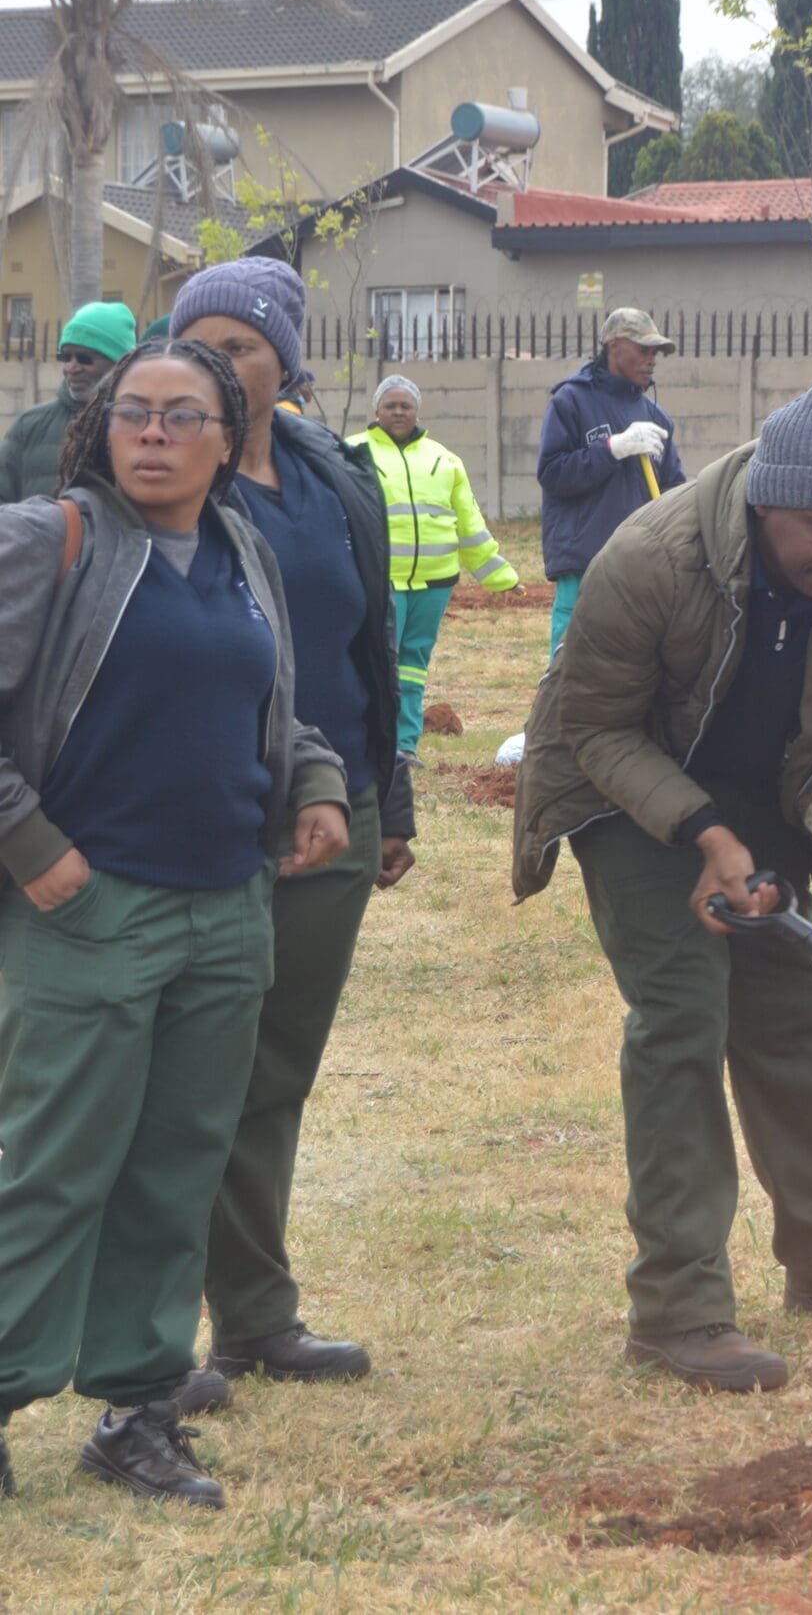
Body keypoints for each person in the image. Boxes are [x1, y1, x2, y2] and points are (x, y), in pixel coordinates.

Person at [511, 377, 812, 1393]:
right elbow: (594, 728)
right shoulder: (650, 557)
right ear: (766, 503)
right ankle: (677, 1306)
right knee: (682, 1013)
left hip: (770, 788)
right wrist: (701, 832)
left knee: (788, 1019)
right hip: (623, 783)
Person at [0, 338, 349, 1507]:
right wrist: (33, 848)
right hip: (91, 911)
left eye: (181, 416)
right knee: (52, 1168)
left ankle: (138, 1410)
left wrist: (316, 784)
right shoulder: (52, 541)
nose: (152, 433)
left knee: (176, 1170)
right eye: (133, 413)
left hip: (226, 913)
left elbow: (271, 710)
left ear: (226, 434)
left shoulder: (241, 549)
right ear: (101, 429)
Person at [169, 259, 413, 1418]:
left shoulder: (329, 470)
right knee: (180, 1076)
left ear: (288, 360)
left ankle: (256, 1314)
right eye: (196, 339)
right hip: (205, 817)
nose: (219, 360)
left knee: (274, 1076)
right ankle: (150, 1335)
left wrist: (389, 800)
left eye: (243, 342)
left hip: (339, 813)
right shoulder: (159, 479)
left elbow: (367, 646)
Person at [364, 375, 520, 754]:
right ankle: (374, 745)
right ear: (377, 410)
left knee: (414, 663)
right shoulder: (354, 454)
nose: (398, 412)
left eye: (406, 405)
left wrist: (500, 577)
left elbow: (469, 526)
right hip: (382, 581)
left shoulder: (445, 460)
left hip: (435, 584)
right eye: (391, 405)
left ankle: (405, 747)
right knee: (380, 664)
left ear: (417, 410)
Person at [538, 308, 683, 652]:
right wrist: (612, 449)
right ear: (615, 346)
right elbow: (552, 473)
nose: (652, 360)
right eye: (644, 350)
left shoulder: (656, 417)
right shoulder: (570, 400)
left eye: (655, 353)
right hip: (584, 560)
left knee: (629, 660)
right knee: (570, 662)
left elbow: (674, 491)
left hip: (638, 563)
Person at [0, 301, 136, 504]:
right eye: (65, 357)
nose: (71, 368)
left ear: (118, 363)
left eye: (84, 358)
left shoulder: (140, 426)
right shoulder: (29, 425)